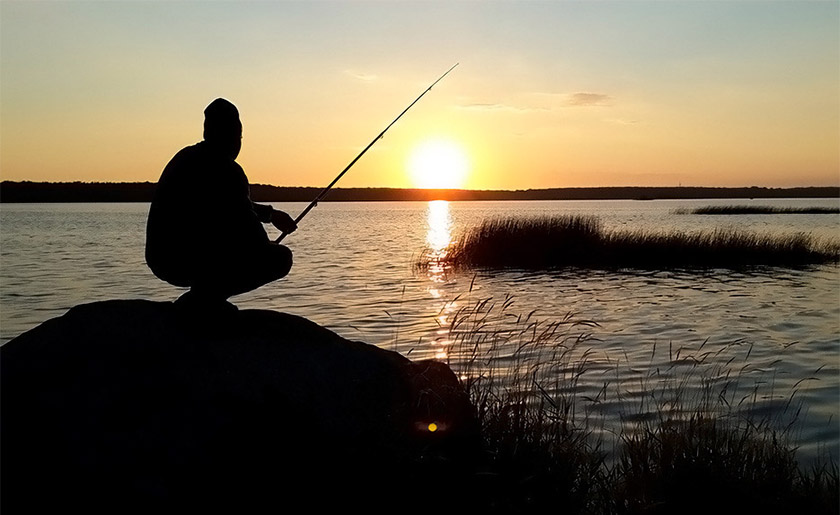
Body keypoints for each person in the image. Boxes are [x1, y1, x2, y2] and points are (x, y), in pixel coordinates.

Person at [146, 98, 297, 306]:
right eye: (238, 136)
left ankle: (202, 298)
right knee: (280, 258)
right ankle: (204, 301)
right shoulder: (229, 170)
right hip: (187, 260)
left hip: (160, 259)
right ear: (233, 135)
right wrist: (265, 247)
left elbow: (227, 204)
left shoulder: (184, 157)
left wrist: (270, 215)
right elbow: (251, 233)